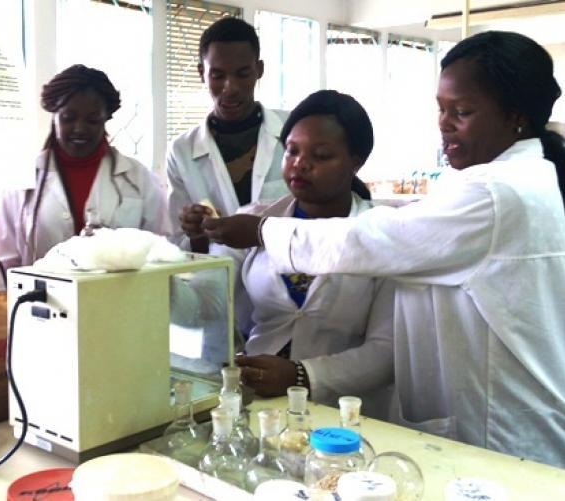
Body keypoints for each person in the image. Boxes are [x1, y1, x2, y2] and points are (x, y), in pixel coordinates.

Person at [203, 31, 565, 467]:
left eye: (462, 112)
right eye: (441, 108)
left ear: (516, 118)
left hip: (500, 433)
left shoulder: (495, 193)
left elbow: (370, 240)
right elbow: (214, 296)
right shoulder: (503, 181)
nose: (444, 124)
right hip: (477, 423)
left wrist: (262, 232)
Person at [176, 90, 394, 416]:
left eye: (320, 155)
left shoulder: (383, 233)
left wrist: (301, 375)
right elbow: (206, 304)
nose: (300, 165)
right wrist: (196, 245)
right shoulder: (254, 219)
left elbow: (386, 352)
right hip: (256, 400)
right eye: (291, 151)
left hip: (345, 412)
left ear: (356, 161)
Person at [0, 65, 170, 276]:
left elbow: (163, 249)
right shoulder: (23, 180)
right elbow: (2, 261)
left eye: (92, 120)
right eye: (68, 118)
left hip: (123, 302)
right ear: (54, 117)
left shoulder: (138, 178)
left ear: (105, 119)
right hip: (40, 304)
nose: (79, 128)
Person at [166, 17, 289, 252]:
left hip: (283, 281)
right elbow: (179, 248)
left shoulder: (292, 132)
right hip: (217, 283)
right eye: (217, 75)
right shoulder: (181, 151)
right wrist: (195, 233)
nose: (230, 88)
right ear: (202, 73)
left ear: (259, 70)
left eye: (242, 74)